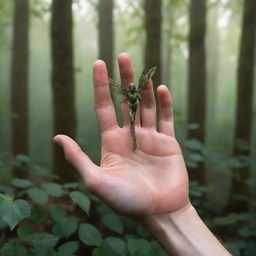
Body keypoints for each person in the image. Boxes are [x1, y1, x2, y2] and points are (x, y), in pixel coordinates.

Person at [54, 53, 231, 256]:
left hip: (136, 105)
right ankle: (133, 136)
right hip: (132, 108)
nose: (130, 89)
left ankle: (135, 137)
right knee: (130, 123)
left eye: (132, 89)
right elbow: (121, 90)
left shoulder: (136, 90)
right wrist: (173, 216)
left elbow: (138, 87)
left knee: (133, 121)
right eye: (129, 89)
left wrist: (176, 213)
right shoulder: (127, 92)